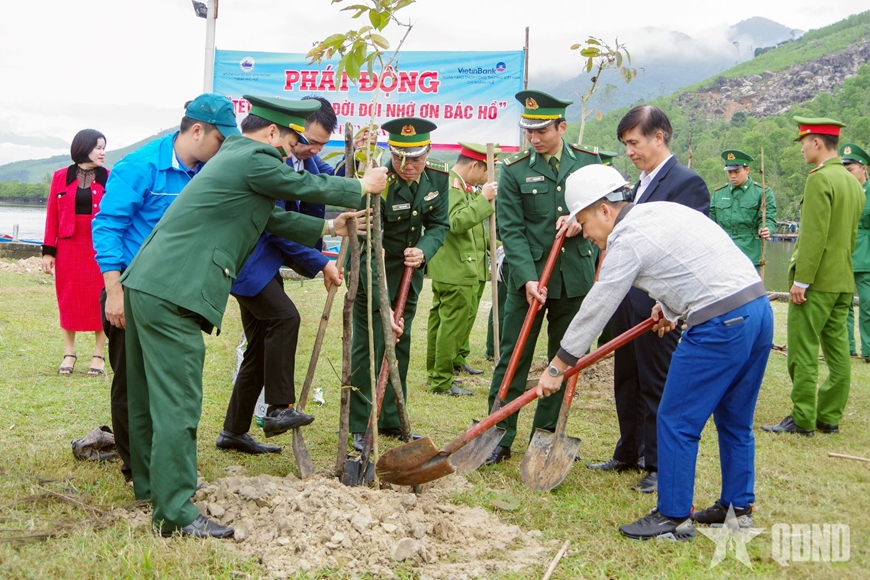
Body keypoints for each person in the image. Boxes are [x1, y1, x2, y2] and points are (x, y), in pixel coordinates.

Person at [119, 95, 387, 538]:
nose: (289, 152)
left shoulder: (237, 161)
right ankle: (175, 513)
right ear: (271, 133)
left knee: (150, 396)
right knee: (178, 401)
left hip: (149, 284)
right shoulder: (252, 154)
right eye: (289, 142)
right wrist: (359, 186)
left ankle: (153, 486)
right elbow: (297, 188)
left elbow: (268, 218)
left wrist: (327, 228)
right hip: (173, 292)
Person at [536, 164, 773, 541]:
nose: (586, 234)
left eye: (584, 220)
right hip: (757, 309)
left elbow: (598, 304)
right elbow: (689, 261)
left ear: (603, 209)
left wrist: (559, 364)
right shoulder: (657, 211)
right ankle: (737, 507)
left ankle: (672, 516)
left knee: (676, 419)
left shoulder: (626, 237)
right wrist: (669, 305)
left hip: (719, 323)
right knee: (734, 418)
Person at [92, 94, 240, 484]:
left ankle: (163, 461)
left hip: (172, 293)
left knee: (166, 381)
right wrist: (115, 291)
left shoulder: (207, 174)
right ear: (196, 131)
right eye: (220, 141)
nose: (222, 150)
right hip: (129, 286)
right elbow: (107, 227)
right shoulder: (142, 167)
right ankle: (134, 466)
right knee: (131, 381)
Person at [586, 105, 709, 493]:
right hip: (627, 299)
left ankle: (657, 463)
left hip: (659, 306)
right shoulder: (634, 186)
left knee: (658, 383)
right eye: (625, 144)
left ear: (659, 137)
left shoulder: (687, 183)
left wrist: (672, 307)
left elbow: (690, 249)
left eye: (634, 142)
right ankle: (628, 450)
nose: (630, 151)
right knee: (627, 377)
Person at [218, 95, 342, 453]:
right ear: (291, 130)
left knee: (258, 346)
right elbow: (278, 228)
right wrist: (321, 261)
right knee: (285, 318)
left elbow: (326, 190)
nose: (312, 148)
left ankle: (234, 431)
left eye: (321, 143)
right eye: (307, 139)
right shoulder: (269, 163)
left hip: (266, 265)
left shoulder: (310, 161)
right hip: (248, 262)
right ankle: (277, 408)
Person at [483, 90, 601, 466]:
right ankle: (497, 434)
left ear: (562, 127)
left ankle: (546, 437)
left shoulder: (588, 163)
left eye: (542, 131)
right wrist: (528, 278)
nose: (533, 139)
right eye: (528, 131)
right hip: (528, 280)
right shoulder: (515, 170)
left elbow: (608, 209)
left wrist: (581, 225)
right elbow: (511, 230)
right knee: (512, 358)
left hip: (574, 278)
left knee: (560, 360)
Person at [348, 117, 450, 452]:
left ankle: (390, 417)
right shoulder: (378, 178)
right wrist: (383, 304)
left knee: (399, 342)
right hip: (372, 268)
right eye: (399, 157)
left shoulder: (439, 178)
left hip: (409, 272)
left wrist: (424, 250)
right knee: (369, 343)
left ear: (428, 151)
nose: (407, 165)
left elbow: (439, 224)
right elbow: (364, 243)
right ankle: (361, 423)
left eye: (416, 158)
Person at [763, 118, 864, 436]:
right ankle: (829, 416)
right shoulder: (853, 182)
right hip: (843, 281)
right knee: (838, 354)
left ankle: (803, 417)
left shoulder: (821, 180)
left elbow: (814, 237)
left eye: (804, 142)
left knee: (803, 349)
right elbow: (847, 237)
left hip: (817, 283)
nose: (803, 148)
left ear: (817, 143)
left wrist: (801, 280)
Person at [426, 143, 500, 395]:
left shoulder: (465, 187)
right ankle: (441, 380)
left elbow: (475, 231)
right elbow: (456, 223)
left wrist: (498, 246)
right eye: (485, 173)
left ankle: (441, 369)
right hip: (454, 268)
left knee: (446, 321)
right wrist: (483, 200)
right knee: (451, 324)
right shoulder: (451, 185)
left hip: (463, 266)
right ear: (474, 165)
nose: (486, 179)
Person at [41, 129, 108, 376]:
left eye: (104, 147)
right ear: (84, 147)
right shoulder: (60, 177)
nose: (103, 152)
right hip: (69, 247)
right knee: (68, 298)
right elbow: (52, 216)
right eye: (98, 147)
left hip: (99, 248)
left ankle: (98, 354)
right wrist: (49, 252)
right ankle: (69, 353)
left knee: (99, 298)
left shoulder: (109, 178)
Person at [710, 149, 777, 268]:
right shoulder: (719, 193)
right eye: (729, 172)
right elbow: (710, 221)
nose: (732, 175)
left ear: (747, 170)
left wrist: (766, 229)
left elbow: (768, 218)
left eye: (737, 171)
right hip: (723, 254)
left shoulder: (762, 192)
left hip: (750, 254)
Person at [840, 143, 870, 362]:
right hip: (844, 252)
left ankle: (868, 350)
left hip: (867, 255)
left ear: (864, 168)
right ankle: (846, 347)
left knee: (868, 303)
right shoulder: (842, 191)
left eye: (850, 169)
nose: (847, 174)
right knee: (843, 304)